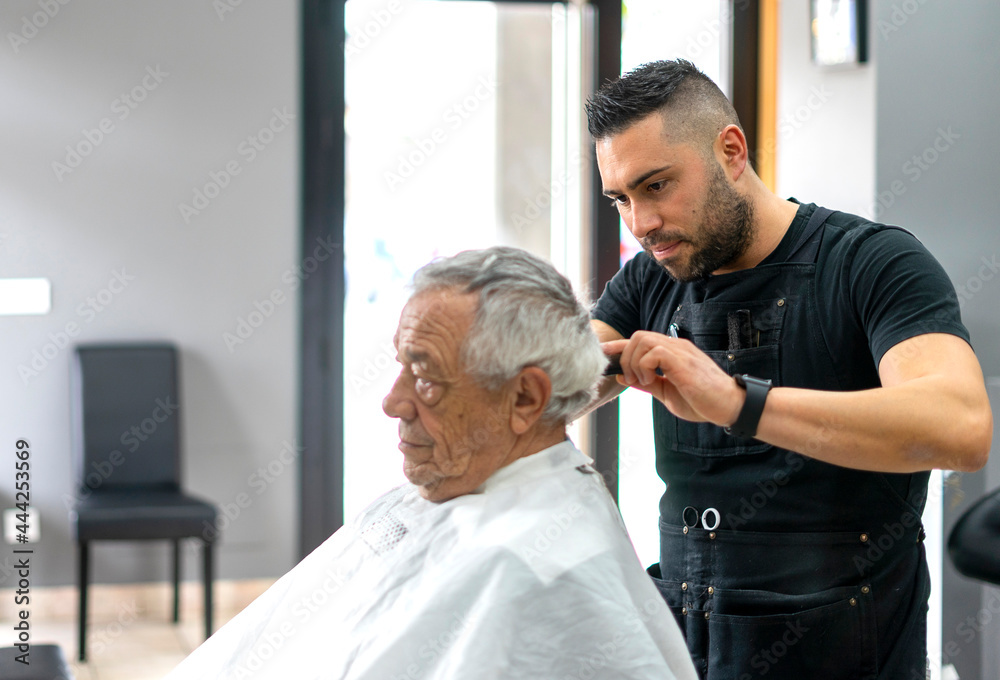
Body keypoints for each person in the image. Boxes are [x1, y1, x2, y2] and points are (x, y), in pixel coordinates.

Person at [584, 59, 992, 680]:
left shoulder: (871, 264)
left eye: (657, 186)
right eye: (621, 199)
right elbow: (561, 377)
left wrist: (737, 402)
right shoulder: (653, 276)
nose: (640, 224)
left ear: (730, 150)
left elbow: (960, 426)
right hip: (692, 647)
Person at [165, 246, 698, 680]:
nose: (392, 403)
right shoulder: (455, 486)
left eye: (424, 377)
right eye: (402, 367)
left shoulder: (530, 569)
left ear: (524, 400)